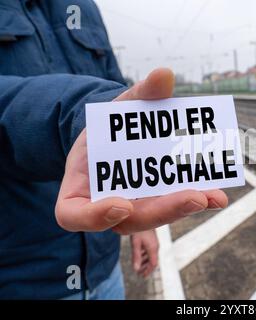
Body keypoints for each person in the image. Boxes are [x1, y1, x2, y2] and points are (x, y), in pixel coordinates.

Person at [0, 0, 228, 300]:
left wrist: (141, 222)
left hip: (105, 271)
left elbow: (118, 93)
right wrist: (75, 118)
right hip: (23, 279)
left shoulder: (82, 7)